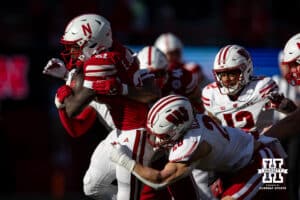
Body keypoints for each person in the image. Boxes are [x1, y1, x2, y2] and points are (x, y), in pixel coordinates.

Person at [48, 13, 161, 200]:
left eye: (76, 46)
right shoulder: (119, 49)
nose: (72, 52)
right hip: (121, 130)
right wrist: (69, 77)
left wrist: (62, 97)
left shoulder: (100, 62)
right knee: (92, 186)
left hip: (135, 133)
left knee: (128, 195)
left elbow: (73, 108)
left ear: (94, 44)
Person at [110, 94, 288, 199]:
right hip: (241, 163)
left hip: (263, 160)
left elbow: (159, 180)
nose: (157, 140)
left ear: (179, 128)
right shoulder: (193, 123)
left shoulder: (193, 142)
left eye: (162, 135)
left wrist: (123, 160)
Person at [154, 33, 214, 199]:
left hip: (193, 130)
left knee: (200, 180)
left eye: (174, 53)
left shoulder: (189, 70)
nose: (171, 58)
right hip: (169, 135)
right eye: (167, 54)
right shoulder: (153, 75)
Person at [137, 46, 200, 200]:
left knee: (187, 187)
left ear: (168, 69)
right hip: (150, 141)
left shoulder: (182, 78)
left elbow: (199, 105)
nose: (156, 80)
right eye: (150, 74)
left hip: (181, 140)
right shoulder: (133, 85)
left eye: (160, 73)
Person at [201, 44, 297, 138]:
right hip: (231, 150)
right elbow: (212, 127)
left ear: (246, 69)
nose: (226, 80)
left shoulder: (262, 86)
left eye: (231, 74)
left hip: (261, 147)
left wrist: (285, 106)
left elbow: (294, 114)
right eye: (222, 75)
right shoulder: (211, 94)